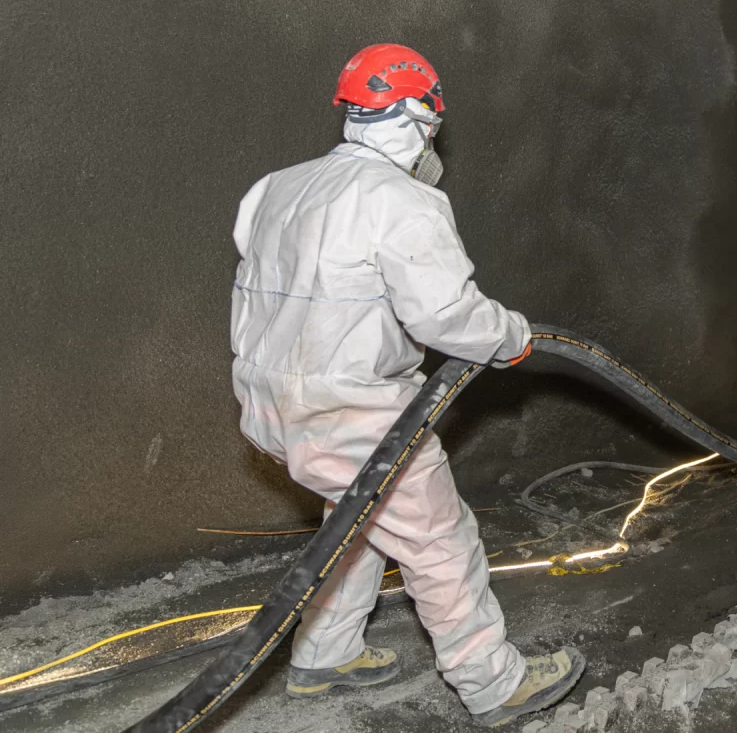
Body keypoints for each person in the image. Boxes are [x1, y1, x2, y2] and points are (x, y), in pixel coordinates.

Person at [229, 43, 583, 727]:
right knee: (439, 538)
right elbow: (446, 315)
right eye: (431, 125)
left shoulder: (274, 188)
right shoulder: (403, 200)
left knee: (356, 517)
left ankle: (325, 654)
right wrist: (512, 336)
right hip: (353, 408)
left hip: (270, 404)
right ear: (420, 117)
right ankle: (492, 683)